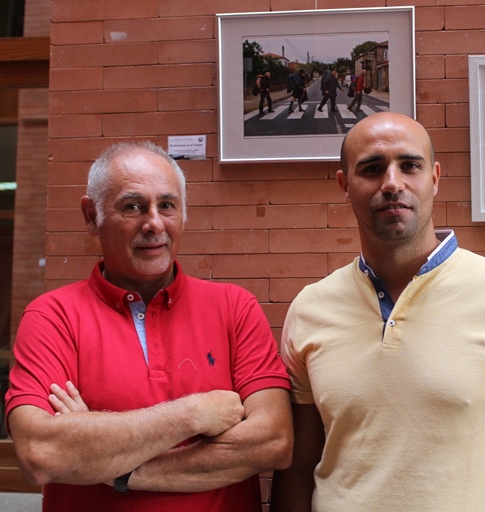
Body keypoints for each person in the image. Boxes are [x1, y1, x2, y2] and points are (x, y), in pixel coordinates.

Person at [271, 112, 485, 512]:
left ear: (433, 177)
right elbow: (295, 468)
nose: (392, 183)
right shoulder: (310, 309)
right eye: (372, 168)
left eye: (409, 165)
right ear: (345, 185)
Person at [5, 141, 293, 512]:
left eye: (167, 206)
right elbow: (41, 452)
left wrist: (115, 469)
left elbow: (273, 442)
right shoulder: (51, 317)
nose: (154, 223)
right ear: (92, 216)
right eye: (133, 206)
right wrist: (192, 414)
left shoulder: (235, 308)